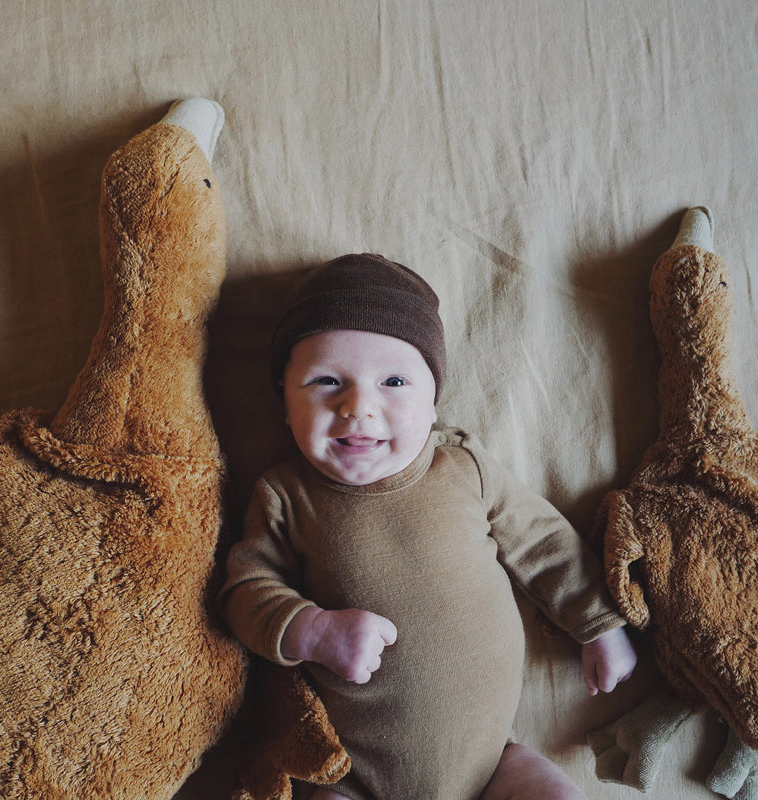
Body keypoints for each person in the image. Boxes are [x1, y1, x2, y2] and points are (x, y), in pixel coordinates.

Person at [221, 253, 637, 800]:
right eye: (325, 381)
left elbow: (545, 542)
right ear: (284, 403)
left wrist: (600, 623)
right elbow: (244, 592)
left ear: (433, 399)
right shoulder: (284, 495)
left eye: (393, 381)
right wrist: (313, 631)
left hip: (494, 767)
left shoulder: (463, 468)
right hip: (353, 778)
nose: (358, 407)